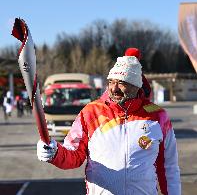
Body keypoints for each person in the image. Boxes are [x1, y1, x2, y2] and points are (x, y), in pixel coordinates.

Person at [37, 48, 181, 195]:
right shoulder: (91, 113)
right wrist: (55, 152)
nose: (114, 88)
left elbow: (168, 167)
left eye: (122, 83)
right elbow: (74, 155)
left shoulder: (158, 117)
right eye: (111, 82)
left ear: (136, 85)